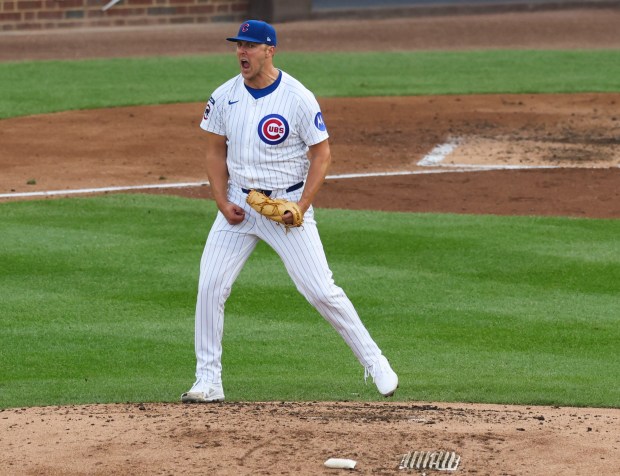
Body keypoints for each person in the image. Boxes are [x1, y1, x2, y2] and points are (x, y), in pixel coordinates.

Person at [181, 20, 398, 403]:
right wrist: (221, 200)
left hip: (286, 211)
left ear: (270, 50)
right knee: (210, 286)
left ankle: (375, 361)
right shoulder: (224, 96)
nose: (241, 53)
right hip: (240, 206)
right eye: (238, 46)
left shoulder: (298, 97)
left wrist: (300, 206)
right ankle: (208, 381)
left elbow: (322, 154)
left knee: (320, 290)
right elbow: (215, 151)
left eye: (249, 46)